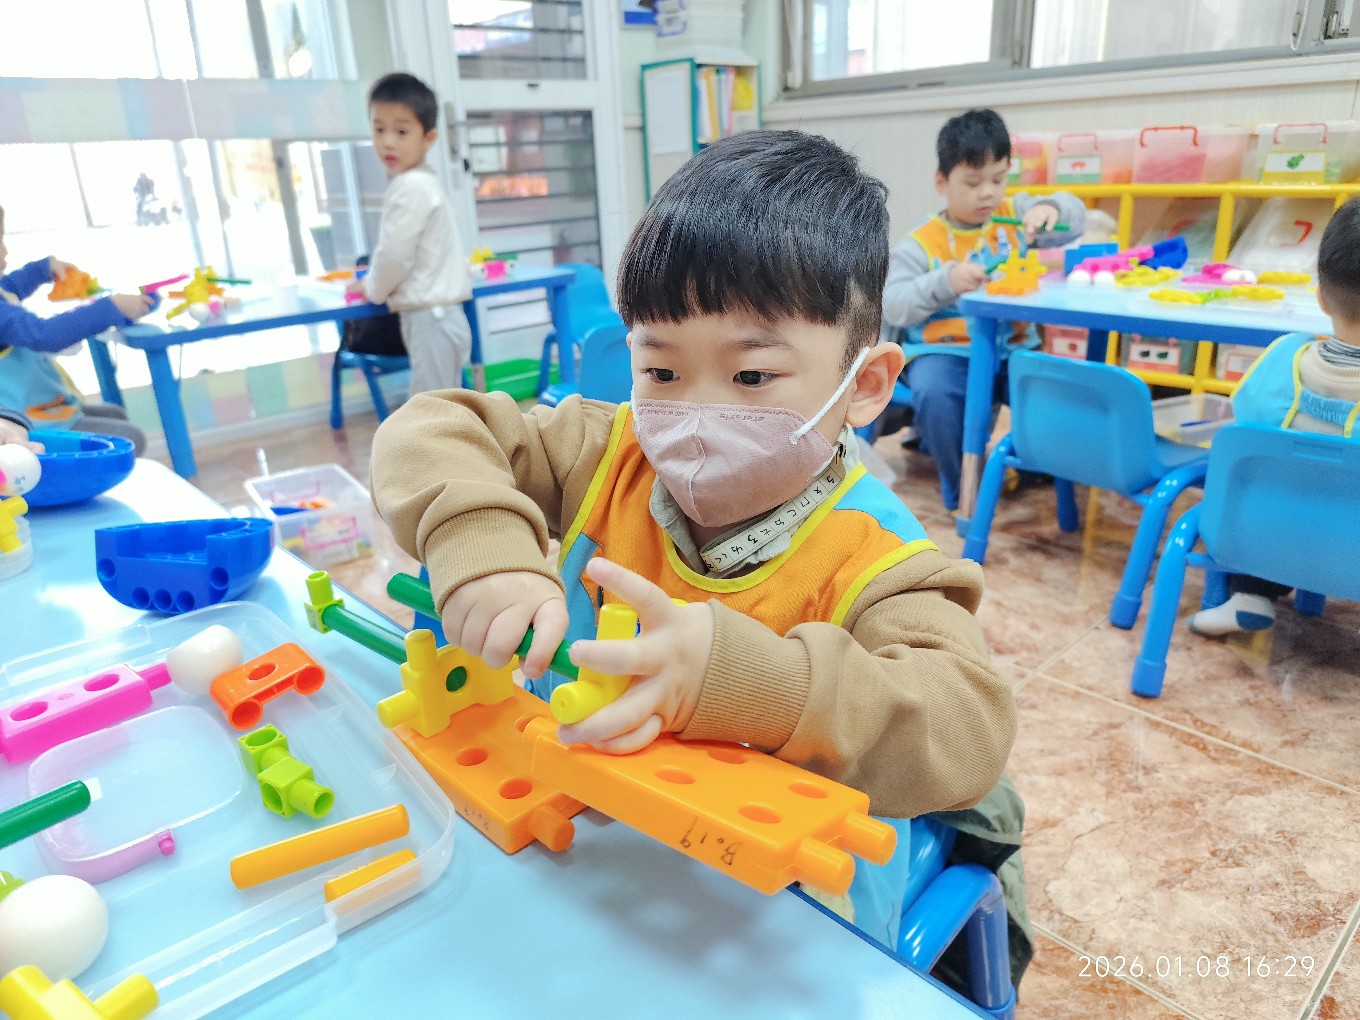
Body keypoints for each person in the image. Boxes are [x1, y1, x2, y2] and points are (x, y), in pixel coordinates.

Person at [369, 130, 1018, 955]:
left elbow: (966, 729)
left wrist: (753, 684)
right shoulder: (608, 455)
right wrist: (482, 538)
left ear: (864, 386)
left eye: (751, 377)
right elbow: (431, 427)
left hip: (781, 908)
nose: (695, 417)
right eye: (662, 372)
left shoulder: (878, 558)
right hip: (601, 849)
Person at [881, 109, 1086, 510]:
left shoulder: (1015, 219)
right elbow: (893, 303)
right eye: (973, 183)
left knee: (1053, 392)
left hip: (1014, 349)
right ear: (942, 182)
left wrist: (1051, 210)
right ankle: (962, 486)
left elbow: (1076, 216)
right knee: (936, 395)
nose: (988, 194)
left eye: (998, 179)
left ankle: (1038, 468)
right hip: (946, 351)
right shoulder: (921, 243)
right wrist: (946, 281)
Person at [1190, 197, 1360, 637]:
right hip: (1352, 554)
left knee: (1271, 479)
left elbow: (1247, 425)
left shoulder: (1283, 359)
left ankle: (1249, 596)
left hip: (1268, 536)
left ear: (1321, 297)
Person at [348, 72, 472, 401]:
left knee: (431, 413)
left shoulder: (410, 187)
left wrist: (372, 288)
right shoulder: (423, 183)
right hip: (440, 318)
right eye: (379, 129)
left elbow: (394, 256)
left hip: (432, 319)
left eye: (401, 131)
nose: (388, 142)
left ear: (429, 138)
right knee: (443, 409)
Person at [0, 205, 151, 453]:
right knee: (131, 441)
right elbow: (46, 335)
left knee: (116, 415)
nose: (6, 250)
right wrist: (111, 307)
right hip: (27, 425)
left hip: (37, 406)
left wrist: (44, 268)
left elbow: (12, 285)